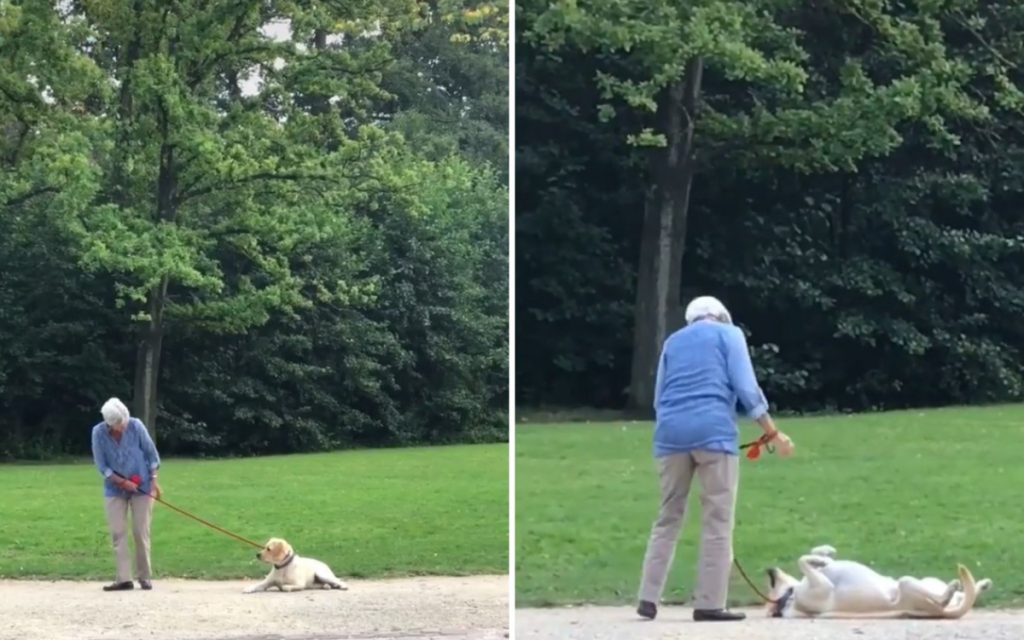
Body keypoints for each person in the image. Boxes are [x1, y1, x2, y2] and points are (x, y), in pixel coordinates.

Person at [636, 296, 794, 622]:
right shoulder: (730, 334)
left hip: (669, 436)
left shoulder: (672, 341)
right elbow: (746, 388)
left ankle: (648, 598)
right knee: (717, 519)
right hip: (714, 434)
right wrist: (772, 432)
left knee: (667, 517)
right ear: (721, 315)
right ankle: (709, 602)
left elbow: (658, 396)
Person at [90, 397, 163, 591]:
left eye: (124, 422)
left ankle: (145, 577)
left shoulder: (136, 426)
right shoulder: (98, 433)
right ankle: (124, 579)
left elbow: (151, 455)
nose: (123, 427)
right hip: (114, 489)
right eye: (119, 425)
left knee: (140, 532)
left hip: (143, 486)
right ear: (109, 423)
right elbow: (102, 466)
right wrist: (121, 481)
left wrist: (154, 482)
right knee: (118, 532)